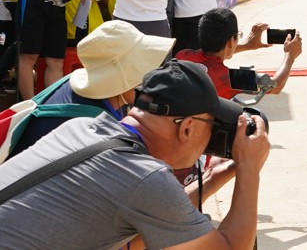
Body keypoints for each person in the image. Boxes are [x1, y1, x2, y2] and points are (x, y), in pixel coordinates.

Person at [0, 59, 269, 250]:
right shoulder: (145, 179)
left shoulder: (81, 127)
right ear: (187, 128)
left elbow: (149, 211)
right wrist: (249, 169)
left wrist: (211, 178)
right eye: (212, 128)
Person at [9, 20, 173, 157]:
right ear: (122, 77)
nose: (147, 79)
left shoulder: (69, 82)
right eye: (142, 70)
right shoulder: (96, 131)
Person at [175, 8, 302, 99]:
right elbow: (275, 86)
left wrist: (247, 45)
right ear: (231, 41)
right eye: (237, 36)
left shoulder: (182, 56)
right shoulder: (229, 78)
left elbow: (214, 52)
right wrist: (289, 56)